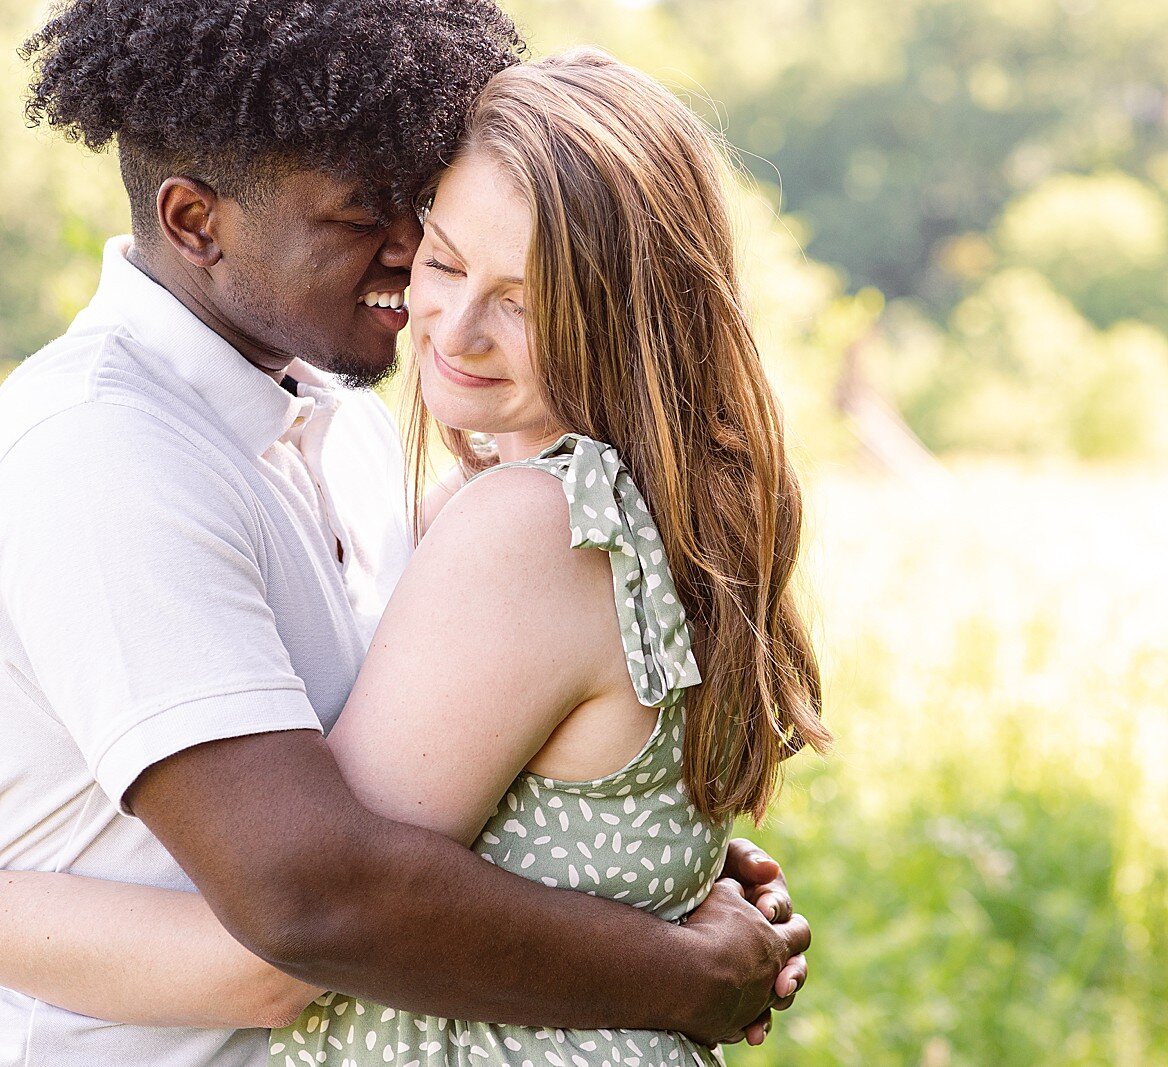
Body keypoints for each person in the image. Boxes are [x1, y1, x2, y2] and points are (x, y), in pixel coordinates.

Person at [0, 4, 812, 1066]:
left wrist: (616, 865)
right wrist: (668, 959)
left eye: (414, 205)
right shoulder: (103, 452)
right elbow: (311, 912)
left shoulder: (348, 426)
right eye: (360, 216)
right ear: (196, 221)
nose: (408, 258)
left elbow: (433, 811)